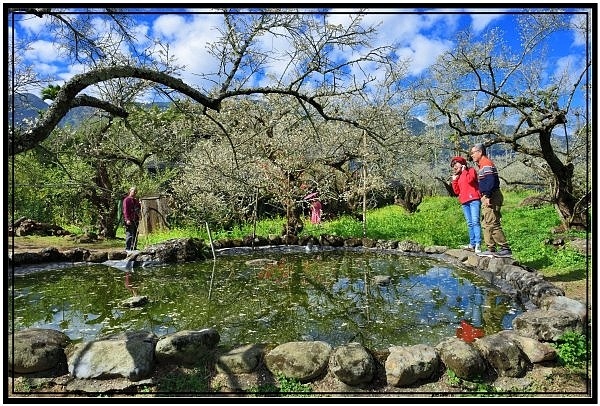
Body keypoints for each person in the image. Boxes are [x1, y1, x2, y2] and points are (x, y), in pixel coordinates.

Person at [470, 143, 512, 258]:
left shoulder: (486, 164)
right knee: (486, 223)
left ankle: (504, 248)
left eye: (473, 153)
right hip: (487, 196)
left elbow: (490, 181)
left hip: (492, 196)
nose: (471, 155)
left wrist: (487, 196)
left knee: (492, 222)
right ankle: (491, 249)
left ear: (480, 152)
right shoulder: (482, 165)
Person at [450, 156, 482, 253]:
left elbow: (471, 180)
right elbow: (456, 191)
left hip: (474, 199)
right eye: (453, 165)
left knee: (475, 221)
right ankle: (472, 244)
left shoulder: (471, 170)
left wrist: (464, 171)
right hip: (464, 201)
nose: (455, 166)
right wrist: (454, 180)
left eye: (456, 164)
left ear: (462, 164)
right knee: (469, 223)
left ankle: (478, 244)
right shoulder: (458, 176)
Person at [123, 186, 141, 251]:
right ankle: (128, 248)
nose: (135, 193)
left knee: (135, 234)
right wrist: (127, 219)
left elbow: (138, 208)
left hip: (135, 219)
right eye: (134, 191)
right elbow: (125, 210)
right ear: (130, 191)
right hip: (129, 220)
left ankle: (134, 247)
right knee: (130, 234)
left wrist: (140, 204)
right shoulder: (126, 200)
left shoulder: (135, 200)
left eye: (136, 191)